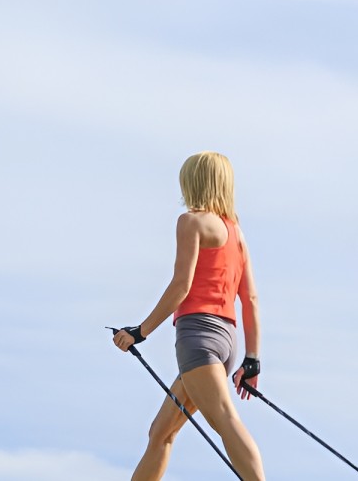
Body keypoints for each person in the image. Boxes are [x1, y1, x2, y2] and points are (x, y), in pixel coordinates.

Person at [112, 151, 266, 481]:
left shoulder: (191, 221)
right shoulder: (236, 233)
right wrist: (252, 360)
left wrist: (141, 332)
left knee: (225, 419)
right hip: (227, 341)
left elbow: (181, 284)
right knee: (161, 433)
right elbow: (250, 298)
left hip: (197, 336)